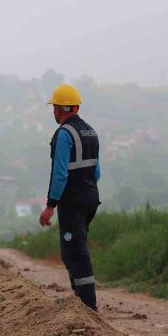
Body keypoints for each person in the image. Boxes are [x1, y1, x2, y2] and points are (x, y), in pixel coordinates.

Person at [38, 84, 101, 311]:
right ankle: (80, 302)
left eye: (54, 107)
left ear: (58, 109)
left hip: (72, 202)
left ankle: (87, 307)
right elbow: (97, 172)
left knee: (74, 253)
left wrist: (50, 205)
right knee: (77, 248)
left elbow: (60, 173)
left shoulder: (64, 134)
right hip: (90, 198)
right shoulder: (90, 132)